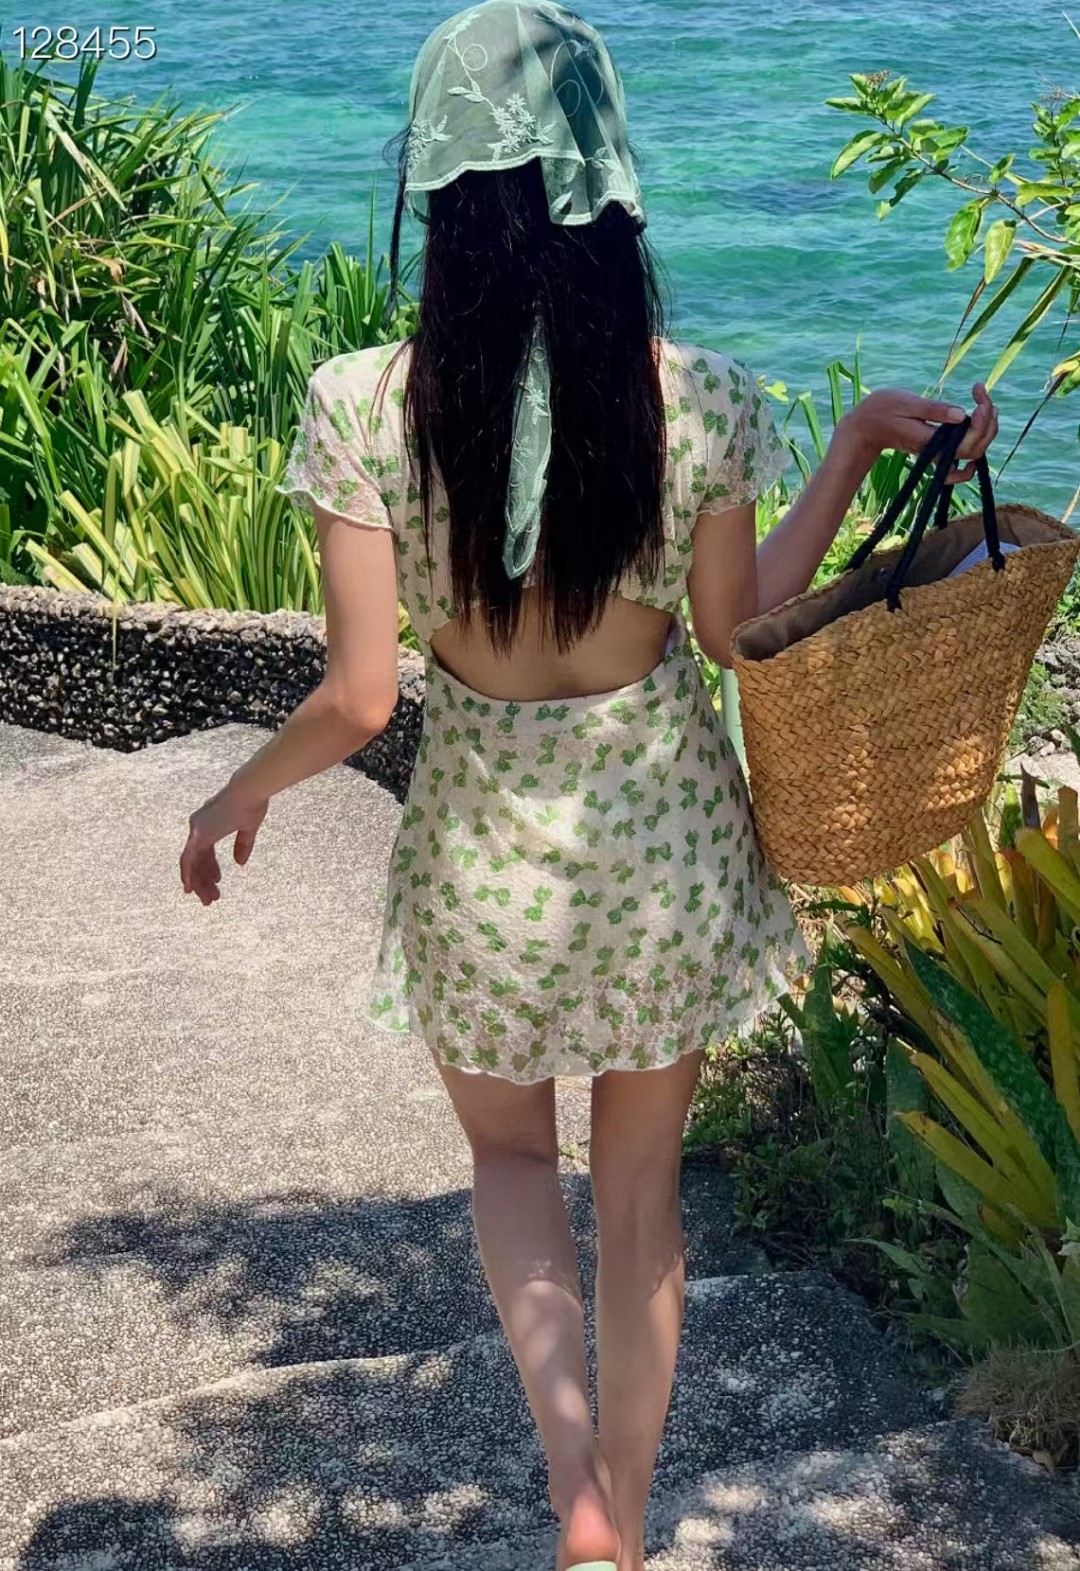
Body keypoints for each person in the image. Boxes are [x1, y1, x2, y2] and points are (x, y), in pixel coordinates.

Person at [178, 4, 999, 1567]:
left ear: (438, 188)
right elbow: (737, 632)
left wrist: (237, 796)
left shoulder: (365, 404)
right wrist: (845, 453)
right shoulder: (699, 396)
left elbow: (360, 699)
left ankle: (574, 1486)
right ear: (610, 177)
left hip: (481, 861)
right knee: (642, 1202)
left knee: (509, 1164)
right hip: (666, 846)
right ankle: (619, 1508)